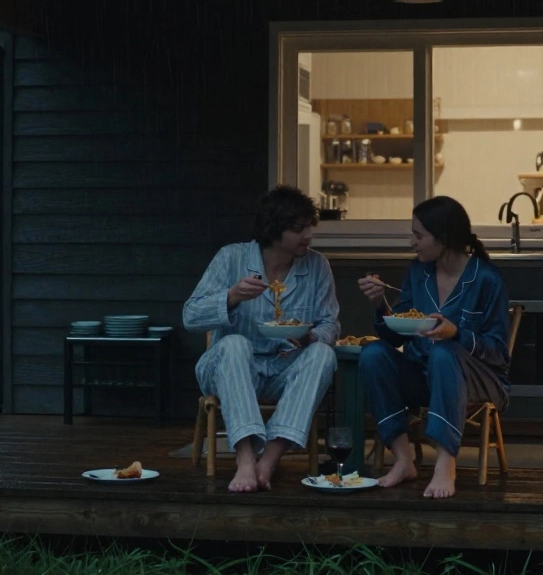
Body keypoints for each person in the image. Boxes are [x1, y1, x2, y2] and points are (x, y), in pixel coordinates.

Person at [184, 185, 340, 493]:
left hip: (283, 369)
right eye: (299, 229)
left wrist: (311, 336)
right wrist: (230, 297)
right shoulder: (232, 258)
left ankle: (269, 458)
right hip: (230, 370)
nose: (308, 235)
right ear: (274, 229)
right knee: (234, 343)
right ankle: (244, 458)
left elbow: (330, 323)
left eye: (310, 227)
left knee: (324, 353)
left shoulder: (317, 265)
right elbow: (190, 316)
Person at [356, 196, 510, 499]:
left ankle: (445, 461)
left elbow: (498, 352)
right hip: (422, 375)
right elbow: (397, 337)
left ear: (444, 237)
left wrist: (457, 334)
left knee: (443, 351)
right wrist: (380, 304)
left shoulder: (487, 280)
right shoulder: (418, 272)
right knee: (373, 353)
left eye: (418, 235)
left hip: (477, 380)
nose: (412, 242)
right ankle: (403, 459)